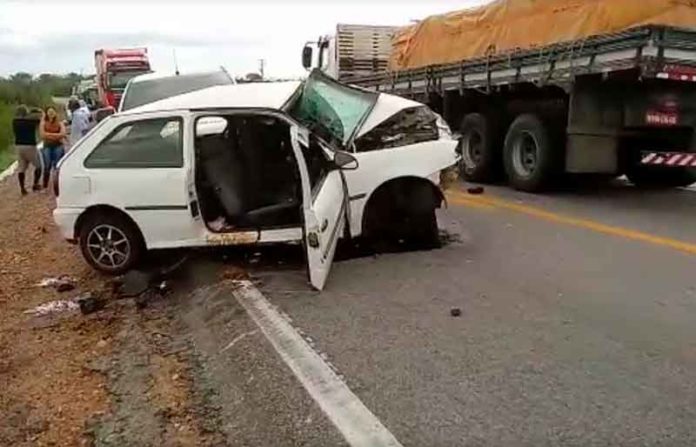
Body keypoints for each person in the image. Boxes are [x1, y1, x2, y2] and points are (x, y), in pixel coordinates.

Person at [11, 105, 42, 195]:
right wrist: (36, 110)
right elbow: (41, 117)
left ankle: (23, 189)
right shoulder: (31, 121)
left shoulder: (15, 122)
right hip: (30, 146)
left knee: (21, 168)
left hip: (19, 146)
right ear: (26, 113)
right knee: (38, 166)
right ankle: (35, 184)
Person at [40, 106, 67, 191]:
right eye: (49, 111)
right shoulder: (43, 123)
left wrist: (48, 135)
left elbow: (63, 133)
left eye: (52, 111)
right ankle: (45, 185)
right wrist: (57, 136)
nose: (51, 113)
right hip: (47, 146)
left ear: (55, 113)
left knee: (57, 166)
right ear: (47, 113)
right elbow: (42, 135)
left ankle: (58, 185)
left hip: (58, 146)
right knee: (47, 166)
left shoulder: (60, 123)